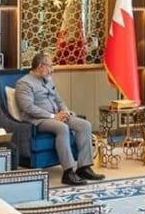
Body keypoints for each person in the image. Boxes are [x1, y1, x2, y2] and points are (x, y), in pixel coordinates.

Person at [15, 52, 105, 185]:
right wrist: (53, 116)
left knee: (84, 125)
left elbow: (59, 100)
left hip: (57, 115)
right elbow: (28, 107)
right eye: (49, 66)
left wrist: (66, 112)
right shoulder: (24, 83)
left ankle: (84, 167)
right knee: (62, 127)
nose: (52, 69)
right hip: (38, 120)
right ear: (40, 66)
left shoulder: (48, 80)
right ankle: (68, 172)